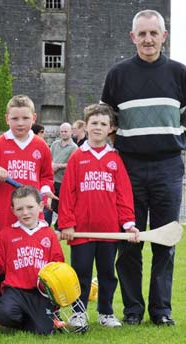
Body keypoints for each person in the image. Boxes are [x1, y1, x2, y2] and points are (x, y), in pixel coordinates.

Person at [101, 9, 186, 326]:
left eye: (154, 33)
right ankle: (132, 311)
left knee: (165, 242)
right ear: (133, 37)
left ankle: (161, 311)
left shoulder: (180, 74)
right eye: (142, 33)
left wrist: (169, 142)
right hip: (128, 169)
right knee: (129, 242)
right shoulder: (117, 75)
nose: (148, 39)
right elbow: (107, 120)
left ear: (163, 36)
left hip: (168, 167)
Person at [58, 104, 139, 330]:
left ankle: (106, 312)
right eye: (94, 123)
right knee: (81, 274)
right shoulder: (77, 157)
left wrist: (128, 224)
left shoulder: (115, 159)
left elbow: (124, 194)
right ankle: (78, 313)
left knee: (107, 275)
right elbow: (67, 194)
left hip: (109, 231)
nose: (98, 127)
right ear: (86, 126)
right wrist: (67, 224)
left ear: (110, 128)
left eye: (103, 124)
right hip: (81, 231)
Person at [0, 94, 55, 305]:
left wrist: (46, 191)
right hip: (4, 215)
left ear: (33, 117)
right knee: (3, 259)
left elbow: (46, 176)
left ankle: (38, 303)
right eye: (15, 119)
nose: (20, 123)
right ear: (7, 119)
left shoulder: (40, 146)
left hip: (32, 215)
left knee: (31, 258)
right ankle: (1, 301)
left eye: (24, 118)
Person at [0, 185, 64, 335]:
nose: (25, 213)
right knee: (3, 315)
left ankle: (43, 319)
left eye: (30, 207)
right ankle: (30, 319)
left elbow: (58, 266)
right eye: (19, 209)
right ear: (13, 210)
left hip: (40, 293)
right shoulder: (6, 234)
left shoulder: (49, 234)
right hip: (15, 291)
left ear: (40, 206)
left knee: (43, 332)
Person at [47, 122, 78, 228]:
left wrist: (58, 166)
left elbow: (73, 164)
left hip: (64, 181)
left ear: (71, 132)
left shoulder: (74, 147)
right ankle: (46, 227)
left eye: (66, 131)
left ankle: (59, 226)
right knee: (48, 205)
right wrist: (51, 165)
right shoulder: (55, 144)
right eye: (62, 131)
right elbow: (49, 158)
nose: (63, 133)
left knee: (61, 206)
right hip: (52, 180)